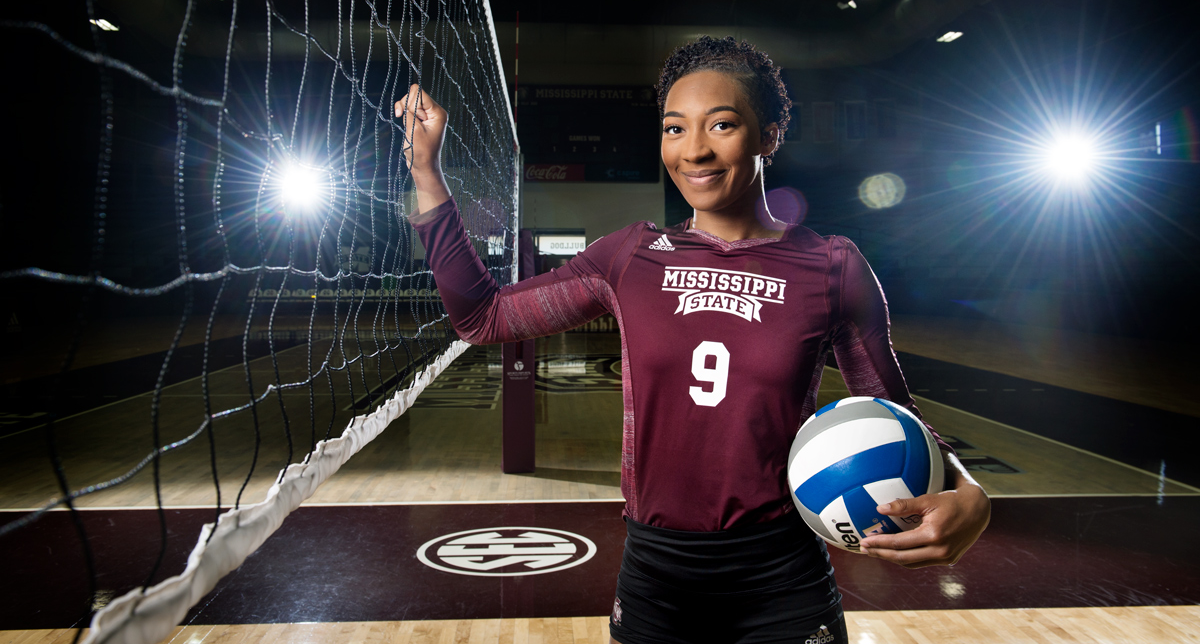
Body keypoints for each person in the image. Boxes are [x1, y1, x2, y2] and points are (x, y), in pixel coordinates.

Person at [398, 36, 990, 644]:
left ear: (769, 137)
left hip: (782, 581)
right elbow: (482, 317)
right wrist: (427, 173)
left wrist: (969, 489)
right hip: (658, 580)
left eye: (723, 125)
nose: (695, 151)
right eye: (675, 129)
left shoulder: (832, 266)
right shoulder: (628, 257)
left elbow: (895, 416)